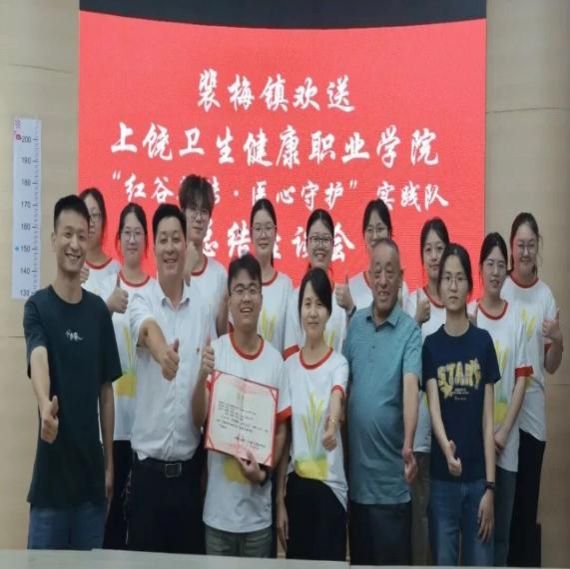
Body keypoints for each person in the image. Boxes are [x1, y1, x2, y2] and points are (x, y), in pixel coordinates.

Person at [23, 195, 121, 549]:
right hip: (49, 488)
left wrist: (109, 465)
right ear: (53, 240)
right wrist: (44, 404)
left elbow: (106, 392)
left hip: (90, 491)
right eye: (67, 234)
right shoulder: (38, 306)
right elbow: (38, 355)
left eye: (82, 235)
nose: (75, 244)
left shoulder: (97, 312)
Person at [127, 204, 212, 554]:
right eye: (163, 239)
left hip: (188, 479)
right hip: (147, 480)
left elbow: (204, 392)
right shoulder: (141, 299)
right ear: (154, 247)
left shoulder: (203, 308)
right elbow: (148, 331)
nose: (170, 247)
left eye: (176, 239)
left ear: (187, 244)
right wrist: (164, 355)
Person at [192, 254, 291, 558]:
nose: (246, 298)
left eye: (252, 290)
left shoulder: (276, 362)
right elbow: (198, 418)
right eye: (239, 290)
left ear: (261, 298)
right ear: (229, 299)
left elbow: (281, 431)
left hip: (257, 520)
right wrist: (201, 377)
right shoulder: (216, 352)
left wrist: (263, 473)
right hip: (218, 516)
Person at [344, 238, 421, 565]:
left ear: (401, 277)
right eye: (378, 272)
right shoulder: (355, 326)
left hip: (392, 487)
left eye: (391, 272)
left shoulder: (410, 330)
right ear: (369, 278)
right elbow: (344, 387)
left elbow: (411, 386)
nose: (384, 280)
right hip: (358, 486)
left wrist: (408, 443)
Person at [423, 243, 499, 566]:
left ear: (470, 285)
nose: (453, 286)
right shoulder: (431, 346)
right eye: (447, 278)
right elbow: (434, 409)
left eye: (459, 278)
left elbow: (488, 421)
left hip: (479, 481)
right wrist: (446, 449)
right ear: (439, 286)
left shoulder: (483, 343)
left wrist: (490, 488)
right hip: (442, 481)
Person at [503, 213, 563, 568]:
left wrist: (558, 340)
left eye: (530, 245)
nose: (525, 252)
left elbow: (551, 365)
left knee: (526, 506)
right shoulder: (501, 288)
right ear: (511, 248)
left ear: (537, 246)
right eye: (519, 245)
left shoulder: (545, 296)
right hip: (502, 413)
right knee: (503, 504)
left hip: (533, 414)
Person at [276, 267, 348, 561]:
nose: (313, 312)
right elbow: (285, 437)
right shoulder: (288, 367)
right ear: (299, 312)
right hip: (297, 488)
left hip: (330, 490)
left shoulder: (338, 363)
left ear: (329, 312)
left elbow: (337, 396)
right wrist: (280, 500)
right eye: (307, 304)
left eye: (319, 304)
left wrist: (331, 426)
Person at [469, 232, 532, 566]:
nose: (494, 272)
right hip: (474, 446)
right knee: (476, 533)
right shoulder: (470, 316)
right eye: (489, 264)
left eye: (499, 265)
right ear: (479, 269)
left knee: (502, 534)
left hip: (506, 444)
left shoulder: (516, 318)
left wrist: (504, 431)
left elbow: (522, 379)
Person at [97, 203, 154, 550]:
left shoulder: (155, 290)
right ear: (118, 239)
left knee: (141, 527)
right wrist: (106, 307)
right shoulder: (106, 286)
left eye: (138, 233)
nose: (132, 240)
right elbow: (89, 338)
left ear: (147, 241)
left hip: (144, 429)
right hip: (113, 427)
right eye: (127, 233)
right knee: (111, 525)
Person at [405, 217, 450, 565]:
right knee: (420, 524)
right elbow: (405, 366)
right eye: (428, 250)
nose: (434, 256)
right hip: (421, 435)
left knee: (446, 524)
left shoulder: (460, 304)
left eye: (439, 248)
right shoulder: (413, 302)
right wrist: (416, 322)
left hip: (451, 435)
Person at [284, 209, 347, 358]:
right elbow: (290, 351)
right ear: (306, 244)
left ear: (333, 244)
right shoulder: (296, 297)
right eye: (315, 238)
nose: (320, 245)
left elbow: (346, 350)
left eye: (325, 239)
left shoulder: (342, 299)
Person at [335, 199, 410, 313]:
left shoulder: (401, 288)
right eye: (370, 230)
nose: (375, 236)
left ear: (389, 233)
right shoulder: (352, 288)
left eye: (380, 229)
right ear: (364, 235)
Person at [178, 174, 227, 337]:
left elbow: (223, 334)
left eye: (204, 211)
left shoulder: (220, 274)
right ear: (182, 212)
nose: (198, 218)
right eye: (193, 209)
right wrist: (185, 270)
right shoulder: (169, 268)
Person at [249, 198, 292, 354]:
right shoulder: (241, 282)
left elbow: (290, 342)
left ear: (275, 232)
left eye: (268, 228)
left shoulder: (285, 285)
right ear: (250, 233)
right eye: (258, 228)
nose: (263, 235)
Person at [79, 187, 120, 295]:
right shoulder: (74, 267)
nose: (90, 223)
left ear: (103, 220)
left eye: (94, 215)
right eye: (86, 216)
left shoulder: (116, 269)